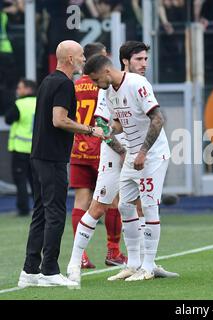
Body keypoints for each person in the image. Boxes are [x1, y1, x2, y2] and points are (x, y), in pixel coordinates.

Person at [68, 53, 178, 284]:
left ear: (107, 72)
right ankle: (133, 263)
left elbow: (157, 119)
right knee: (126, 206)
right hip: (132, 155)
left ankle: (148, 265)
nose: (96, 85)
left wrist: (143, 152)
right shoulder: (108, 91)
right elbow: (118, 123)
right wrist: (108, 132)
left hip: (152, 155)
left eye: (97, 80)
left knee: (148, 207)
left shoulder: (138, 84)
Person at [17, 40, 104, 288]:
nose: (84, 60)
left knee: (41, 212)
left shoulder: (47, 80)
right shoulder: (65, 84)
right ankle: (49, 270)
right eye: (80, 57)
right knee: (55, 213)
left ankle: (30, 270)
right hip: (52, 158)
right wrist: (90, 130)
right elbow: (59, 120)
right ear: (69, 59)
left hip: (38, 156)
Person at [69, 42, 126, 269]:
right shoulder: (105, 85)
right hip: (102, 147)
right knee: (112, 201)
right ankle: (113, 250)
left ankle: (80, 256)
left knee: (81, 201)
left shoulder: (74, 85)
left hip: (78, 149)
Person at [5, 79, 37, 217]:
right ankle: (39, 208)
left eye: (20, 88)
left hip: (21, 149)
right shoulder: (40, 103)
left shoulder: (20, 104)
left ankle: (23, 209)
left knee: (21, 181)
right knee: (35, 181)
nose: (18, 90)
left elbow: (8, 119)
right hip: (36, 150)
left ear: (28, 89)